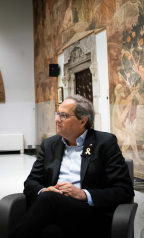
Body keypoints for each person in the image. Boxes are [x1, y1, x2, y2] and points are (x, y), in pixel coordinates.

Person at [10, 95, 134, 238]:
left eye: (64, 116)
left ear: (83, 121)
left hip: (90, 214)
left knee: (48, 199)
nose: (57, 119)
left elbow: (124, 190)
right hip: (54, 211)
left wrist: (84, 195)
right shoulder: (49, 145)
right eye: (58, 114)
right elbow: (30, 183)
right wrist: (44, 190)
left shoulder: (105, 143)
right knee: (49, 233)